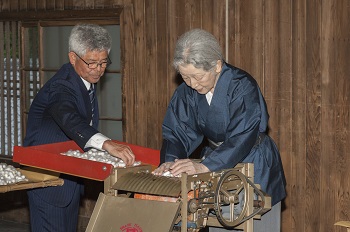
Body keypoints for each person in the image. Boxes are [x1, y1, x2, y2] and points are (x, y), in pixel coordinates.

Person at [153, 29, 286, 231]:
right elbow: (177, 131)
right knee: (219, 223)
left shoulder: (241, 85)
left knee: (257, 224)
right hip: (216, 160)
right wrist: (171, 162)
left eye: (197, 77)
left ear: (217, 65)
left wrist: (205, 166)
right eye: (185, 77)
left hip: (253, 160)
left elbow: (243, 135)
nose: (192, 84)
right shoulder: (187, 91)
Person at [23, 24, 135, 232]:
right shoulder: (62, 86)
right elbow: (69, 118)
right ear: (73, 58)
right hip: (47, 179)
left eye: (103, 62)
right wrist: (107, 144)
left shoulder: (84, 80)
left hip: (69, 177)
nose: (99, 69)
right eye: (91, 63)